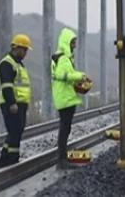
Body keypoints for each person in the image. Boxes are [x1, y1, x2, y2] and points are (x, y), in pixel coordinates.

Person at [51, 27, 89, 169]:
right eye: (72, 43)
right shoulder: (63, 58)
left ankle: (63, 157)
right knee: (65, 127)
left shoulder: (64, 58)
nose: (74, 46)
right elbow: (63, 75)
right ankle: (61, 160)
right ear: (66, 42)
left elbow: (66, 75)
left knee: (66, 127)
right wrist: (80, 76)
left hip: (65, 96)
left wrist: (79, 77)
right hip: (64, 97)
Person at [0, 33, 32, 170]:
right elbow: (7, 85)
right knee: (15, 132)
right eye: (24, 50)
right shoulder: (6, 64)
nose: (25, 53)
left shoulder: (18, 64)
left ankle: (4, 160)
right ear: (16, 48)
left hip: (20, 104)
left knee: (15, 132)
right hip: (11, 104)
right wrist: (11, 103)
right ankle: (12, 162)